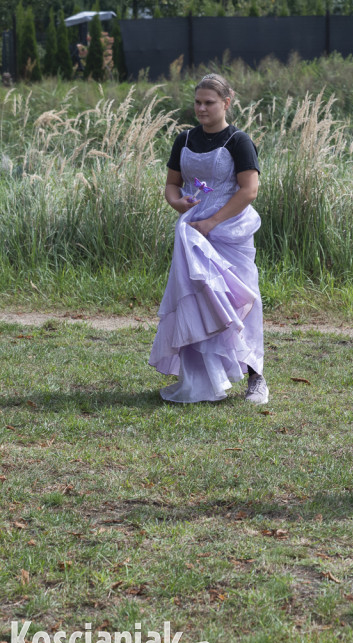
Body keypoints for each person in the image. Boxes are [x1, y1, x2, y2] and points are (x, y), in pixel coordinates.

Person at [149, 73, 268, 405]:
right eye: (198, 102)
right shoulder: (184, 140)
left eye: (209, 102)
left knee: (243, 301)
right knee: (198, 303)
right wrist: (178, 203)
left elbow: (250, 189)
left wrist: (214, 221)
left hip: (230, 232)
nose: (201, 108)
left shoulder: (239, 141)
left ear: (226, 103)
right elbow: (172, 185)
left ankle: (256, 377)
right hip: (193, 235)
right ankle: (204, 378)